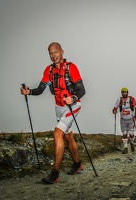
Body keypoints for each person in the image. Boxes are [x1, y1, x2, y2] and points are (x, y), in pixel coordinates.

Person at [20, 42, 86, 184]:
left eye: (55, 52)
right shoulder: (48, 71)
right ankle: (77, 164)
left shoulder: (71, 68)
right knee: (68, 137)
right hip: (59, 107)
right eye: (50, 53)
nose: (53, 55)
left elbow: (82, 90)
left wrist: (73, 98)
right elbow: (40, 90)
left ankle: (55, 173)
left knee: (57, 134)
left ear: (62, 52)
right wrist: (29, 92)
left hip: (72, 106)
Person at [112, 87, 136, 154]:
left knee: (131, 134)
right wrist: (114, 111)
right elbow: (114, 108)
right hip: (123, 120)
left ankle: (132, 143)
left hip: (131, 119)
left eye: (125, 92)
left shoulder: (132, 99)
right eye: (122, 92)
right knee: (124, 134)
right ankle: (126, 148)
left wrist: (135, 116)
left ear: (127, 92)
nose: (124, 93)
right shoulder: (119, 100)